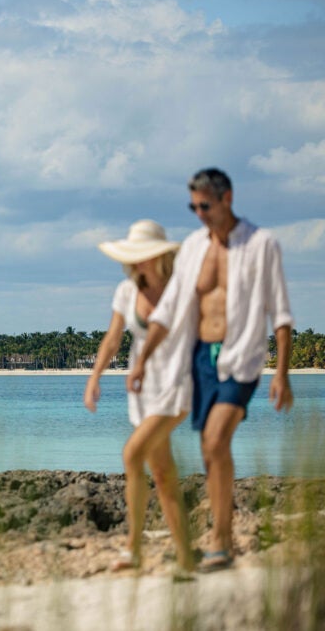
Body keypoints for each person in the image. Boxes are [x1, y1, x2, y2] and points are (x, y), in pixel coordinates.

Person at [127, 168, 294, 572]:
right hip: (201, 357)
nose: (199, 213)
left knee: (217, 439)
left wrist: (282, 372)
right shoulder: (193, 248)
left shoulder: (261, 244)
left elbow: (281, 312)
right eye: (193, 206)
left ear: (227, 199)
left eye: (205, 205)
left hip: (242, 356)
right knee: (208, 447)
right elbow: (168, 312)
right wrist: (144, 360)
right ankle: (223, 536)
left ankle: (220, 540)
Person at [85, 219, 194, 576]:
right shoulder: (126, 291)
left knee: (133, 454)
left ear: (160, 257)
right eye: (134, 257)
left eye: (144, 256)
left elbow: (169, 330)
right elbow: (113, 338)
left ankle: (133, 548)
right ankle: (184, 554)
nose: (137, 263)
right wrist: (95, 376)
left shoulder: (179, 289)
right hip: (142, 389)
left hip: (177, 384)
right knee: (162, 473)